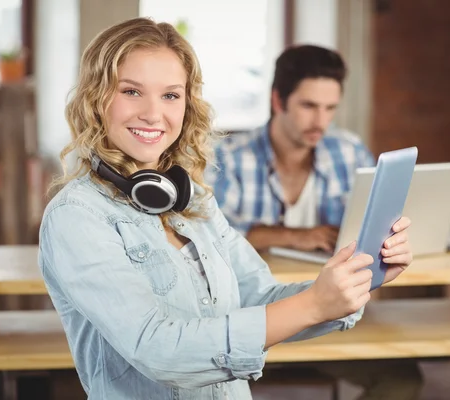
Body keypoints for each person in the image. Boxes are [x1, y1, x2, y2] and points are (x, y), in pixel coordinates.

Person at [38, 18, 414, 400]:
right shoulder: (76, 215)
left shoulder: (195, 202)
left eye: (171, 95)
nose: (154, 114)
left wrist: (357, 278)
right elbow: (158, 349)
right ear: (95, 99)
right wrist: (315, 304)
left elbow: (259, 297)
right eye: (131, 92)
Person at [206, 45, 423, 399]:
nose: (320, 121)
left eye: (329, 108)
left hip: (327, 309)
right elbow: (210, 234)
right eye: (308, 106)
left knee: (402, 378)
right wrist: (295, 236)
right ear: (278, 101)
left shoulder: (348, 151)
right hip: (250, 315)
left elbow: (370, 225)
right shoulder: (228, 156)